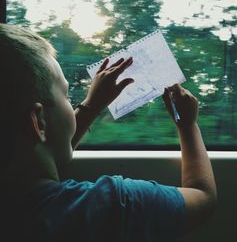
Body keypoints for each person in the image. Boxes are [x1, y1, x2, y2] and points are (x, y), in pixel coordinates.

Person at [0, 23, 217, 242]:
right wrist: (188, 125)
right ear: (38, 121)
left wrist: (91, 106)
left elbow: (40, 150)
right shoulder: (114, 205)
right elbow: (203, 198)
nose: (72, 103)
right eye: (66, 96)